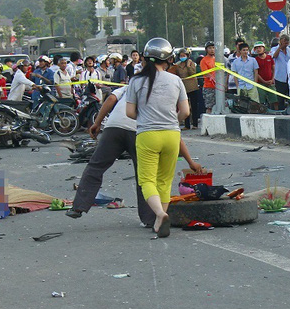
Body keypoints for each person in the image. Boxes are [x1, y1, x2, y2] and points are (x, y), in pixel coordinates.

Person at [66, 84, 202, 225]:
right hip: (139, 131)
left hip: (114, 128)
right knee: (145, 176)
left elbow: (111, 99)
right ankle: (151, 219)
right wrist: (190, 162)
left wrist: (97, 123)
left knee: (95, 166)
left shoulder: (129, 86)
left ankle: (78, 207)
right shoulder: (162, 96)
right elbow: (175, 135)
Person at [126, 37, 189, 238]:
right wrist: (172, 121)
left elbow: (129, 112)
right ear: (168, 59)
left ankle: (160, 214)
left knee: (146, 180)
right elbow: (185, 112)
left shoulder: (135, 81)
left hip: (147, 135)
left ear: (145, 58)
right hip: (172, 135)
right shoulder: (176, 80)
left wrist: (146, 117)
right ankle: (158, 221)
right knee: (164, 180)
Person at [172, 48, 200, 129]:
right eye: (181, 56)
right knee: (185, 107)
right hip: (183, 88)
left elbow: (192, 73)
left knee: (194, 106)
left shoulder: (192, 63)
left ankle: (195, 124)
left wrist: (188, 66)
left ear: (187, 56)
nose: (182, 57)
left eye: (184, 55)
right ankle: (186, 125)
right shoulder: (178, 65)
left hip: (193, 87)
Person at [253, 41, 277, 109]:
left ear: (264, 48)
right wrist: (264, 81)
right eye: (257, 48)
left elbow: (273, 69)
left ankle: (276, 112)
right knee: (261, 101)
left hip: (271, 83)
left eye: (260, 47)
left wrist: (272, 80)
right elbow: (256, 73)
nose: (258, 49)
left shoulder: (269, 58)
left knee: (275, 99)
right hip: (260, 84)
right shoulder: (255, 60)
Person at [272, 34, 290, 110]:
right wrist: (280, 47)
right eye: (284, 42)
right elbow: (274, 56)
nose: (285, 44)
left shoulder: (289, 50)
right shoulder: (274, 49)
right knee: (280, 98)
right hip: (279, 77)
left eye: (286, 43)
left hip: (289, 77)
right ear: (280, 41)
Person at [200, 41, 219, 113]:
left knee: (219, 105)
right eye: (210, 48)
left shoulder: (218, 59)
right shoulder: (204, 60)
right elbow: (205, 73)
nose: (212, 50)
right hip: (209, 87)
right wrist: (212, 77)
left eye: (213, 48)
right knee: (209, 107)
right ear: (206, 50)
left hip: (218, 87)